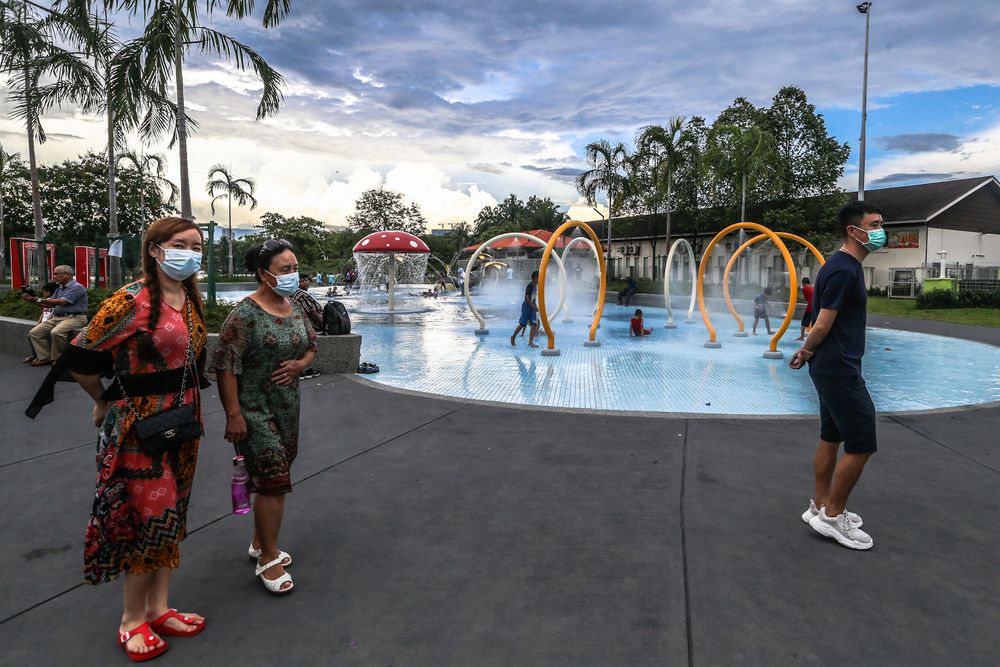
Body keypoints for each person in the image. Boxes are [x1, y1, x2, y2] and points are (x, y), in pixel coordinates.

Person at [46, 218, 209, 660]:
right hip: (138, 426)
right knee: (145, 515)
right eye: (180, 244)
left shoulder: (187, 298)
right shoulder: (127, 301)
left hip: (181, 421)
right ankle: (132, 619)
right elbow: (79, 358)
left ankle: (159, 607)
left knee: (170, 513)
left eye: (196, 246)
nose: (190, 252)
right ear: (155, 250)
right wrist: (103, 400)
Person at [213, 239, 318, 594]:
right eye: (285, 270)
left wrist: (300, 365)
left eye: (295, 268)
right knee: (273, 481)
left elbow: (311, 346)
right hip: (254, 410)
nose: (293, 275)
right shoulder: (243, 315)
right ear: (263, 274)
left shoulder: (295, 307)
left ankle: (259, 541)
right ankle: (267, 558)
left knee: (277, 474)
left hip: (287, 406)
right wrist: (233, 414)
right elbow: (226, 364)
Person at [789, 201, 885, 551]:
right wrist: (807, 349)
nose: (880, 230)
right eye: (874, 224)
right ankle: (833, 514)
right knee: (862, 441)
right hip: (838, 368)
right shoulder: (845, 269)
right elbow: (823, 323)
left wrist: (808, 353)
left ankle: (819, 504)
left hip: (830, 365)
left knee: (831, 436)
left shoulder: (838, 264)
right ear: (853, 231)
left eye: (880, 223)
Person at [24, 265, 88, 366]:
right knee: (35, 332)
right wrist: (33, 300)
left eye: (56, 274)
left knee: (56, 332)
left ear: (67, 275)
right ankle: (45, 357)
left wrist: (39, 299)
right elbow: (49, 304)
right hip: (58, 318)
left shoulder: (77, 287)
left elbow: (63, 302)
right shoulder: (59, 289)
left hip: (75, 317)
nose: (54, 276)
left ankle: (59, 359)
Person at [290, 273, 323, 380]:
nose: (304, 282)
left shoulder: (297, 293)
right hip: (311, 324)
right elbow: (311, 312)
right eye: (301, 281)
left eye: (306, 280)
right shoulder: (300, 294)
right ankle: (304, 370)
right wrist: (323, 324)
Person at [21, 281, 58, 363]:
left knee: (37, 335)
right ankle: (35, 355)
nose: (44, 293)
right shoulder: (45, 301)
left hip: (50, 324)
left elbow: (54, 315)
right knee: (30, 335)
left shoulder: (55, 301)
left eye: (46, 291)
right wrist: (38, 323)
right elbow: (42, 314)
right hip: (43, 324)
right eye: (44, 291)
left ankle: (43, 357)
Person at [510, 270, 540, 348]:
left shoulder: (535, 285)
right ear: (535, 278)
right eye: (539, 278)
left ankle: (530, 342)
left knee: (533, 324)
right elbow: (526, 297)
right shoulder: (530, 285)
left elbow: (533, 297)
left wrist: (535, 306)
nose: (540, 280)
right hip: (527, 307)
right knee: (522, 324)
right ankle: (513, 336)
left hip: (532, 307)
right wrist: (533, 306)